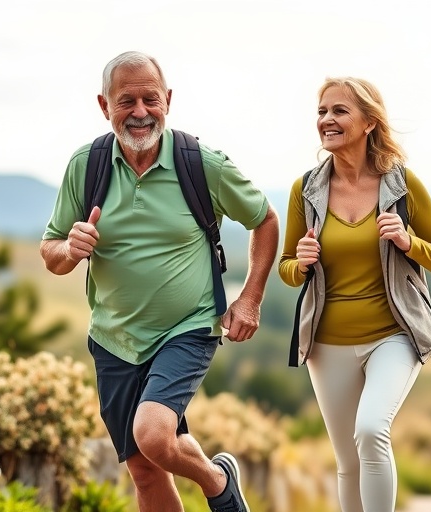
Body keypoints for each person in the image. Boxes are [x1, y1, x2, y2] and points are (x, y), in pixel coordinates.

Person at [40, 50, 279, 512]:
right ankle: (220, 477)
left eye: (150, 99)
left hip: (187, 327)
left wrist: (249, 298)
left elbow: (264, 219)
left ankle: (214, 482)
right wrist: (69, 249)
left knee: (152, 434)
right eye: (126, 100)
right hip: (113, 337)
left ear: (168, 100)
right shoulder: (85, 167)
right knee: (146, 472)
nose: (140, 112)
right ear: (103, 105)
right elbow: (51, 252)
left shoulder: (201, 163)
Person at [278, 77, 431, 512]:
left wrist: (407, 241)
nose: (327, 120)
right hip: (326, 343)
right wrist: (300, 261)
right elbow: (286, 270)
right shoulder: (305, 190)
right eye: (322, 112)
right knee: (348, 463)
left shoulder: (401, 186)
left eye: (339, 111)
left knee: (371, 429)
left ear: (368, 122)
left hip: (393, 335)